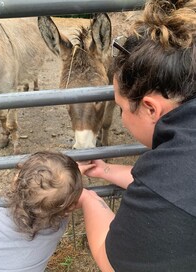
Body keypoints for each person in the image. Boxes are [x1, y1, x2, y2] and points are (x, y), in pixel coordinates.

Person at [77, 0, 196, 271]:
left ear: (150, 108)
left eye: (120, 108)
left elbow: (110, 261)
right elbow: (174, 184)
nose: (121, 118)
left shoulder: (166, 188)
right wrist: (106, 169)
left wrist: (86, 197)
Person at [0, 151, 86, 272]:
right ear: (70, 207)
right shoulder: (58, 224)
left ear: (15, 183)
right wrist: (71, 183)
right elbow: (61, 200)